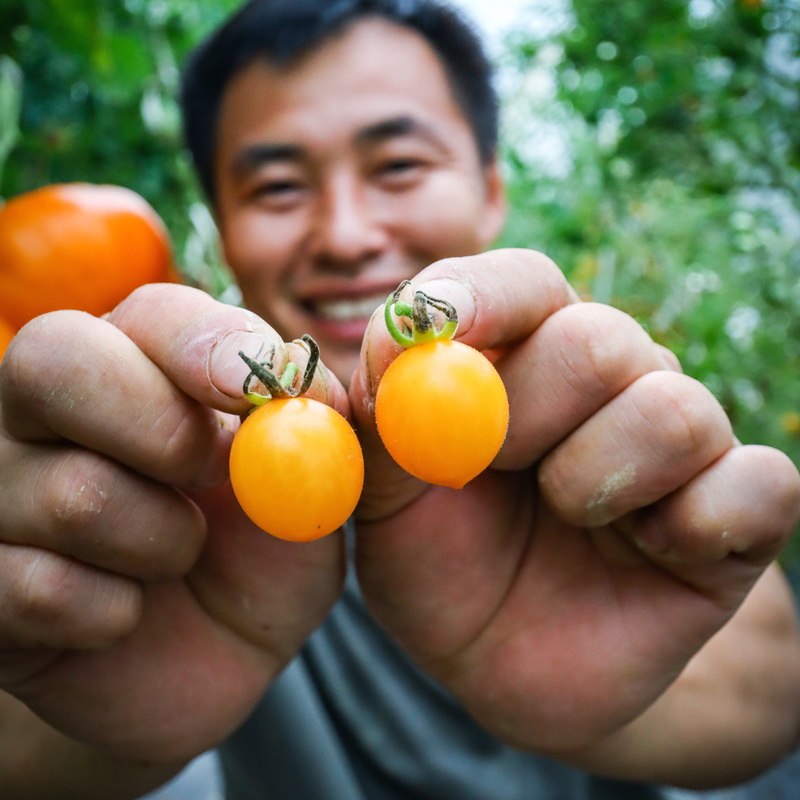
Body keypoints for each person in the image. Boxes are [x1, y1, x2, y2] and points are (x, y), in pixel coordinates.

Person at [1, 1, 799, 798]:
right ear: (221, 229)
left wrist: (632, 689)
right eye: (278, 186)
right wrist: (82, 723)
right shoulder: (176, 502)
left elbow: (771, 685)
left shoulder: (587, 417)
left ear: (491, 190)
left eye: (398, 168)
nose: (346, 234)